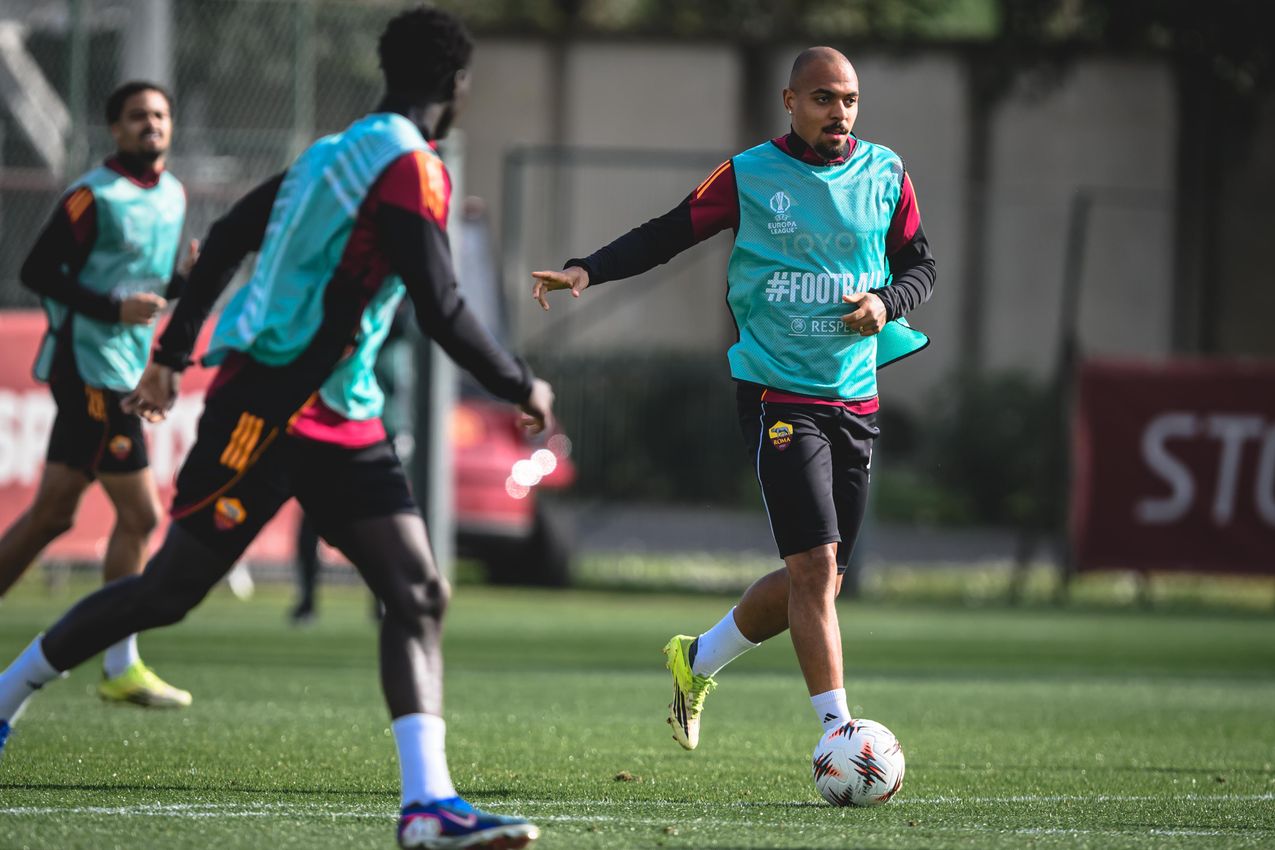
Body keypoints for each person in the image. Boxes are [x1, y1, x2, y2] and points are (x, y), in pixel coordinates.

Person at [0, 8, 550, 850]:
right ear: (457, 87)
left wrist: (175, 352)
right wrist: (518, 381)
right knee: (170, 590)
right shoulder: (408, 168)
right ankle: (6, 696)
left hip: (340, 413)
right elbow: (440, 306)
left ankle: (427, 807)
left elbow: (223, 239)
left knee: (417, 592)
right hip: (267, 409)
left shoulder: (332, 153)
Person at [532, 47, 936, 752]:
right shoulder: (750, 174)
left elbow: (921, 264)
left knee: (820, 579)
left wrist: (886, 302)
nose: (836, 112)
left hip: (855, 397)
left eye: (847, 100)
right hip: (777, 391)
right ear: (789, 101)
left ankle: (696, 660)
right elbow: (669, 230)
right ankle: (838, 734)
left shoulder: (886, 173)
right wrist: (586, 270)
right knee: (813, 567)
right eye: (820, 99)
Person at [0, 81, 196, 708]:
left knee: (53, 514)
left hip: (123, 368)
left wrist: (180, 282)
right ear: (114, 128)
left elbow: (146, 286)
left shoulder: (173, 194)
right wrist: (113, 308)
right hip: (88, 370)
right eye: (138, 116)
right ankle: (120, 663)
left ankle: (120, 664)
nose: (151, 125)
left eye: (160, 115)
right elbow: (38, 272)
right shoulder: (92, 196)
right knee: (141, 515)